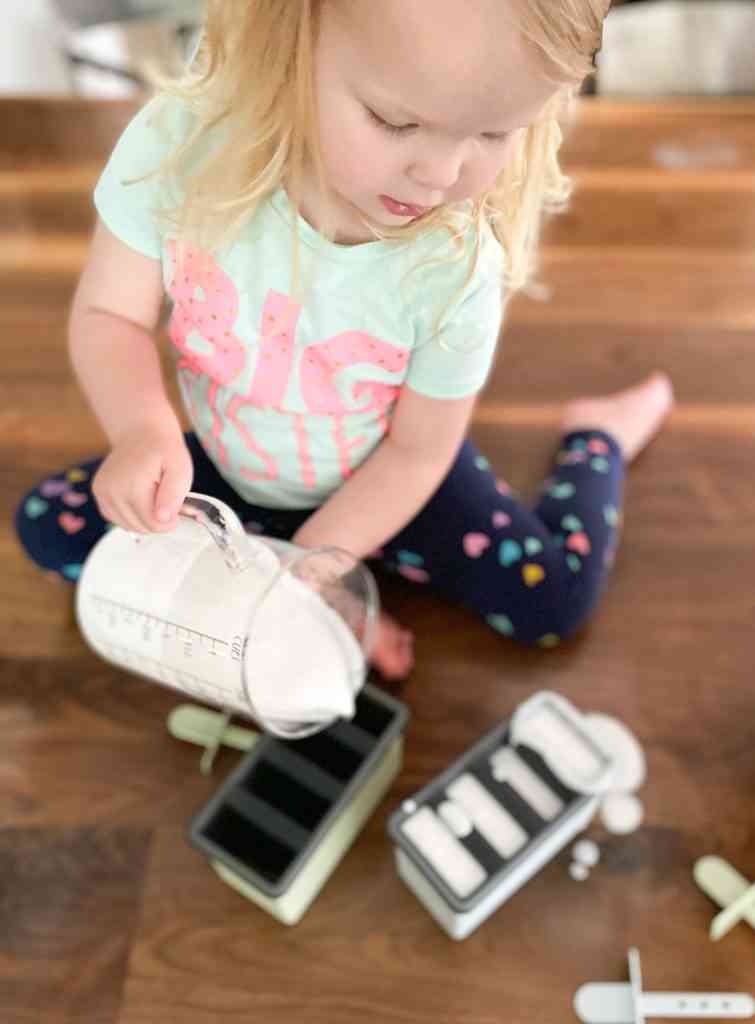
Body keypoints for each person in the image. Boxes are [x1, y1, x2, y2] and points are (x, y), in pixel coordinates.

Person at [15, 0, 674, 682]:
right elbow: (109, 314)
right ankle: (325, 586)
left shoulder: (457, 264)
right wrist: (142, 432)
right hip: (227, 465)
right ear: (288, 47)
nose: (442, 175)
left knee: (553, 603)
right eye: (396, 121)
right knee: (49, 525)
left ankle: (598, 441)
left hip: (388, 479)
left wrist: (313, 569)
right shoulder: (178, 148)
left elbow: (419, 451)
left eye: (494, 132)